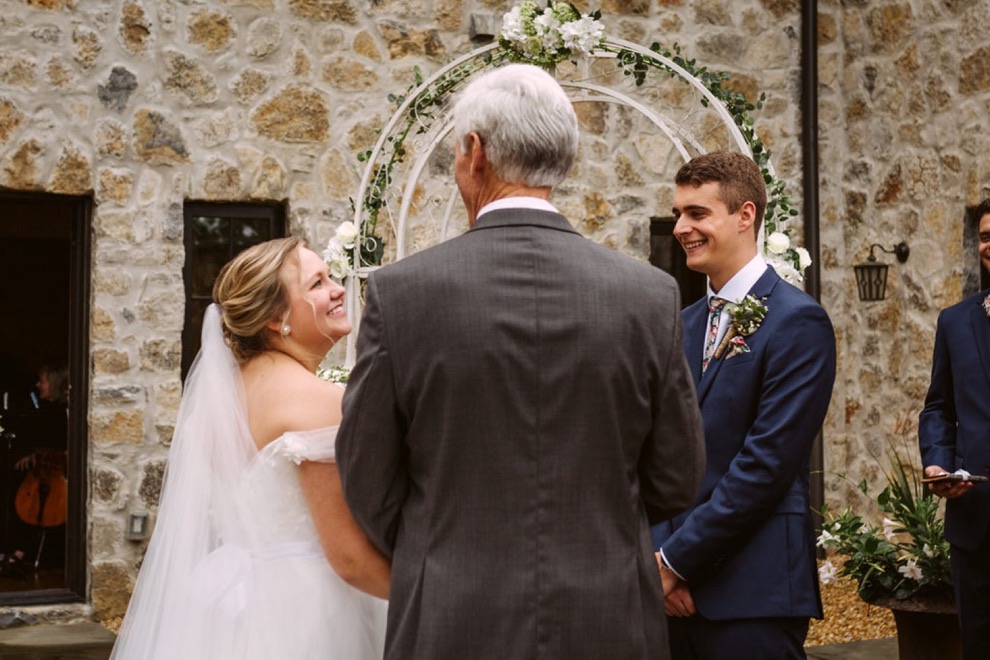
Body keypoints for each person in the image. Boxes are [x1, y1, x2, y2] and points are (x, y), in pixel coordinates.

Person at [335, 62, 706, 660]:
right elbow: (676, 476)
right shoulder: (647, 295)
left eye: (458, 152)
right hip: (606, 615)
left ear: (475, 152)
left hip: (453, 618)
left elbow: (368, 476)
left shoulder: (403, 292)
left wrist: (441, 546)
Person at [110, 237, 388, 660]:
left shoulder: (222, 400)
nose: (337, 289)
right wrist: (433, 594)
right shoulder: (318, 402)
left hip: (226, 604)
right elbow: (348, 557)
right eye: (316, 284)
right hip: (308, 614)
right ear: (277, 318)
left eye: (330, 277)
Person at [651, 151, 836, 659]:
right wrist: (659, 558)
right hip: (671, 598)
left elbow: (766, 465)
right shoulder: (682, 323)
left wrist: (674, 562)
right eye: (678, 215)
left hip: (752, 590)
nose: (681, 228)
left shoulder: (798, 322)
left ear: (745, 215)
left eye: (697, 213)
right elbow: (655, 448)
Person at [919, 197, 990, 659]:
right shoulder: (955, 322)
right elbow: (938, 408)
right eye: (985, 236)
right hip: (976, 523)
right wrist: (938, 460)